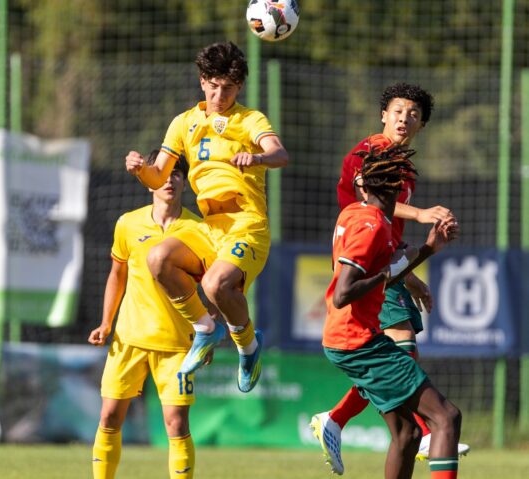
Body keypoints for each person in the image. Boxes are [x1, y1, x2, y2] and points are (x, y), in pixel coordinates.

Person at [310, 83, 469, 475]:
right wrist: (420, 217)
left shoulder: (396, 173)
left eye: (413, 114)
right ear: (383, 114)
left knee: (405, 428)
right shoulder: (373, 157)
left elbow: (386, 244)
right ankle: (347, 419)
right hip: (355, 326)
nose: (404, 118)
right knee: (444, 413)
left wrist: (415, 265)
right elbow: (371, 213)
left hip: (371, 289)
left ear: (422, 124)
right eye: (398, 111)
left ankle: (408, 427)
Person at [125, 41, 289, 392]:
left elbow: (279, 154)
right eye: (213, 86)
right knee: (158, 258)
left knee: (215, 285)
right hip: (210, 227)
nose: (219, 95)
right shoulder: (184, 123)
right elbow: (158, 175)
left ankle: (248, 347)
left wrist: (257, 158)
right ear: (202, 81)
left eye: (228, 88)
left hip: (247, 224)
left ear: (239, 87)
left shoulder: (250, 120)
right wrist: (141, 170)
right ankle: (204, 328)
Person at [89, 151, 202, 479]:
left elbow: (210, 284)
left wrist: (207, 333)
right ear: (149, 181)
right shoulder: (128, 223)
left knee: (176, 423)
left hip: (177, 343)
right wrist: (106, 322)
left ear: (185, 182)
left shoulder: (198, 229)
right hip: (129, 337)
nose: (169, 180)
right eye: (162, 173)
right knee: (109, 417)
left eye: (176, 173)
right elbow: (117, 275)